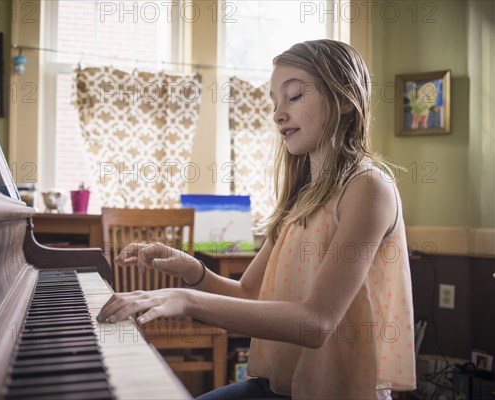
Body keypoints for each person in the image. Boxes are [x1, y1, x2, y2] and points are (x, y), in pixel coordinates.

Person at [97, 39, 416, 399]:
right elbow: (249, 293)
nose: (278, 113)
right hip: (278, 386)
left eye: (294, 96)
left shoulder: (368, 187)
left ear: (344, 100)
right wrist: (191, 270)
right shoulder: (302, 196)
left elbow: (316, 324)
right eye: (273, 101)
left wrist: (187, 299)